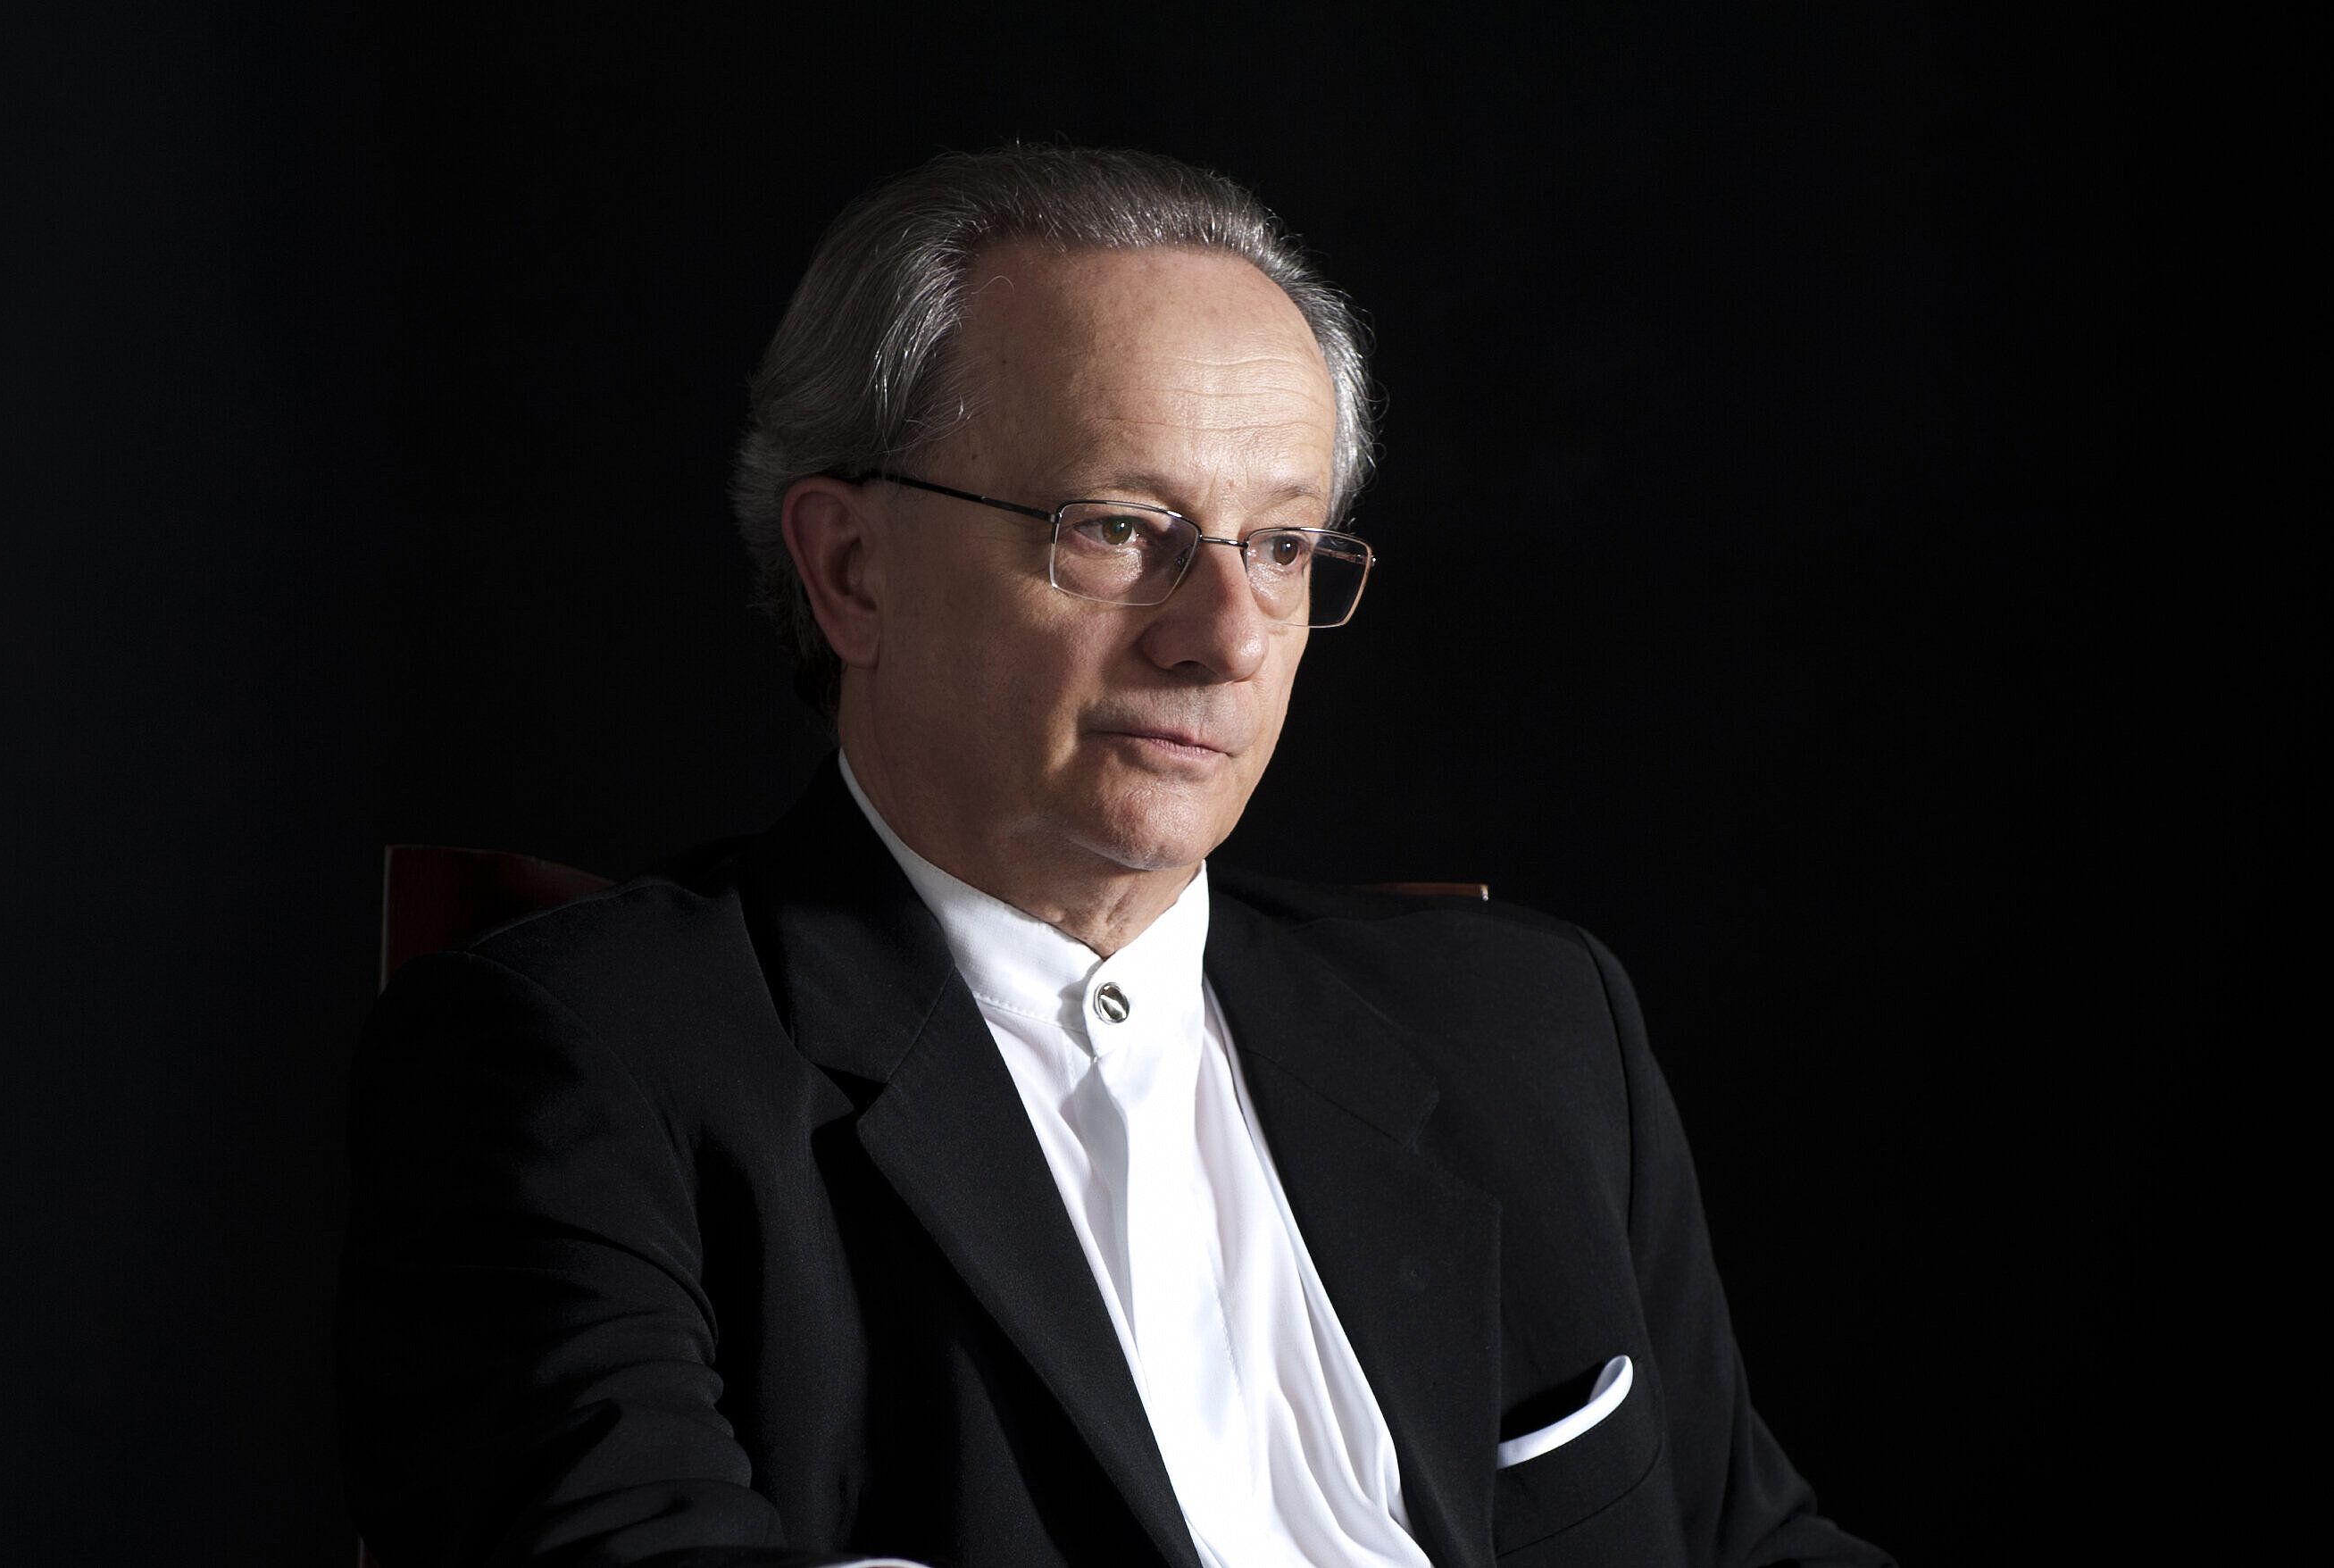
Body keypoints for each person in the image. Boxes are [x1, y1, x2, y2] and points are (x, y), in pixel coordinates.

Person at [338, 146, 1888, 1568]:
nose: (1227, 637)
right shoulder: (581, 1064)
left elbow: (1752, 1546)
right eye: (1118, 528)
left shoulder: (1531, 1029)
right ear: (852, 570)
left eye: (1279, 546)